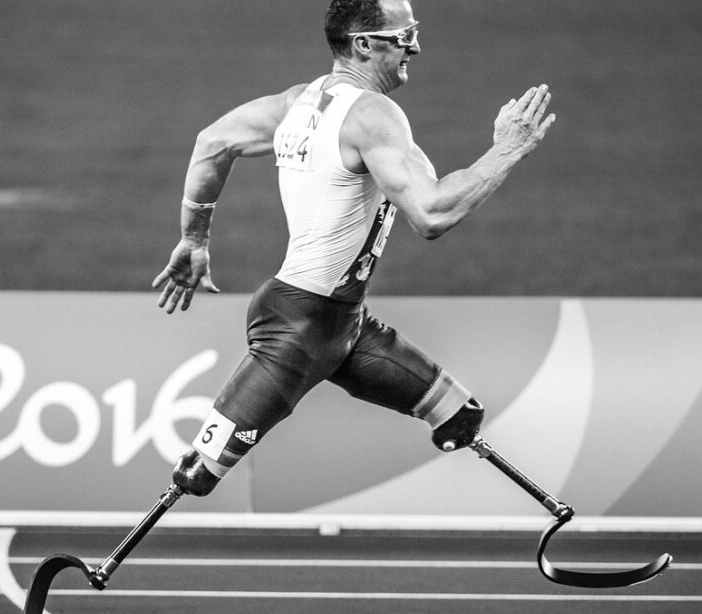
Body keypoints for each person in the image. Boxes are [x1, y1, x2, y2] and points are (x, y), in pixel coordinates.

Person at [151, 0, 555, 497]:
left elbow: (213, 142)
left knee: (459, 415)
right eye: (404, 36)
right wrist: (509, 148)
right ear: (363, 44)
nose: (415, 47)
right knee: (198, 473)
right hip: (298, 330)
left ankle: (550, 509)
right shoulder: (371, 114)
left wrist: (194, 238)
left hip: (344, 326)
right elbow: (432, 214)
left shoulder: (301, 101)